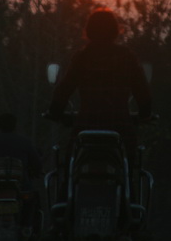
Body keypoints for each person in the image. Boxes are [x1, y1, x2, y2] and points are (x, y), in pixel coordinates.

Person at [47, 8, 152, 150]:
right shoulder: (126, 57)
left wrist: (55, 111)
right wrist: (145, 113)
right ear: (115, 30)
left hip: (86, 126)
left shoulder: (82, 57)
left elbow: (65, 88)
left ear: (89, 31)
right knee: (133, 164)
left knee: (70, 162)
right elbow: (141, 90)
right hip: (120, 127)